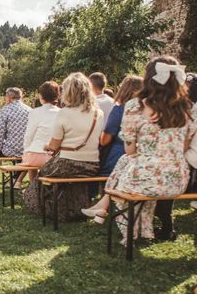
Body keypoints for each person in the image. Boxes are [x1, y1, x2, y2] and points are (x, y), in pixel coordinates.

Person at [82, 57, 196, 242]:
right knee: (126, 162)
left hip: (145, 177)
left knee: (127, 161)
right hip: (177, 178)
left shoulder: (135, 106)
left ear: (149, 79)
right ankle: (121, 217)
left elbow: (129, 149)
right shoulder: (189, 108)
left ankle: (113, 214)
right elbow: (183, 148)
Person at [23, 73, 104, 221]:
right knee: (71, 184)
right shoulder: (98, 113)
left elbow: (54, 146)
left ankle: (45, 209)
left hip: (68, 163)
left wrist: (46, 146)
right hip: (92, 164)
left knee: (38, 181)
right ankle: (74, 211)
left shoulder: (64, 113)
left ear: (68, 92)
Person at [0, 87, 31, 188]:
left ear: (9, 97)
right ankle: (14, 179)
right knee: (21, 159)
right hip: (27, 149)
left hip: (11, 149)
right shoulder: (29, 110)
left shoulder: (6, 110)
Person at [99, 75, 144, 176]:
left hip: (118, 156)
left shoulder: (120, 110)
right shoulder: (148, 110)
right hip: (141, 156)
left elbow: (105, 140)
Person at [22, 81, 61, 179]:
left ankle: (33, 187)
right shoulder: (62, 113)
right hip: (56, 155)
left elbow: (29, 135)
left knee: (31, 159)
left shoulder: (34, 112)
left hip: (36, 155)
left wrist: (26, 150)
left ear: (41, 96)